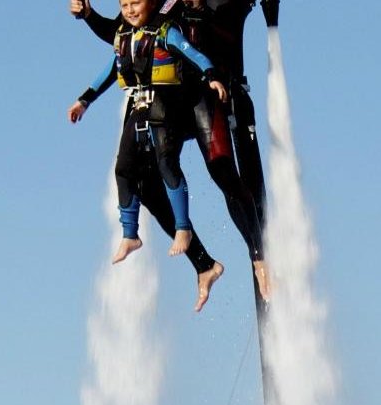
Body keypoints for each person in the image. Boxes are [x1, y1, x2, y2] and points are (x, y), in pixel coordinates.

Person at [71, 0, 274, 298]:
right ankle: (204, 264)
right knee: (141, 181)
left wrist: (214, 74)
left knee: (222, 170)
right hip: (163, 102)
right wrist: (89, 16)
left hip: (202, 94)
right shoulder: (146, 8)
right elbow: (120, 36)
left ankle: (259, 255)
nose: (129, 7)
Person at [69, 0, 227, 270]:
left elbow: (193, 54)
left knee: (167, 163)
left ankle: (183, 228)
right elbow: (109, 72)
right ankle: (130, 235)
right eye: (124, 5)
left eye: (136, 3)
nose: (130, 10)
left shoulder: (165, 32)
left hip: (165, 105)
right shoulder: (124, 36)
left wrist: (212, 76)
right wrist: (84, 100)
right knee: (123, 169)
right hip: (139, 106)